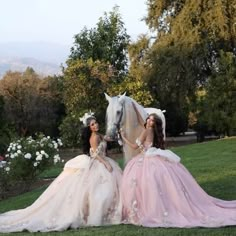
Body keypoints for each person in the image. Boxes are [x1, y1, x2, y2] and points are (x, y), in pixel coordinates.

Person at [0, 112, 122, 232]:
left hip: (104, 160)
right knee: (100, 188)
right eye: (93, 124)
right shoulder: (94, 137)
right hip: (99, 162)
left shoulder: (98, 135)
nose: (96, 125)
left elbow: (108, 139)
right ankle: (102, 212)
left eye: (96, 123)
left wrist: (119, 133)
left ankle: (112, 209)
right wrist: (105, 163)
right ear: (89, 127)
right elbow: (95, 154)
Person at [120, 113, 236, 228]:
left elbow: (135, 147)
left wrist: (123, 137)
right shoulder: (154, 131)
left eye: (152, 120)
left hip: (146, 158)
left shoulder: (147, 130)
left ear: (154, 124)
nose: (149, 122)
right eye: (148, 119)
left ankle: (147, 208)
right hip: (152, 156)